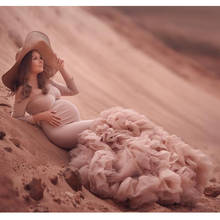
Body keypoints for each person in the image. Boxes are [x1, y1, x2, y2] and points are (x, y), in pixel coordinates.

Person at [1, 31, 95, 149]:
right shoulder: (24, 90)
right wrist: (39, 117)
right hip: (60, 131)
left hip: (73, 124)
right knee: (101, 124)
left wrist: (62, 69)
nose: (41, 60)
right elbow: (16, 118)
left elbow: (73, 90)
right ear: (26, 65)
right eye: (35, 58)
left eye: (41, 58)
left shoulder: (46, 81)